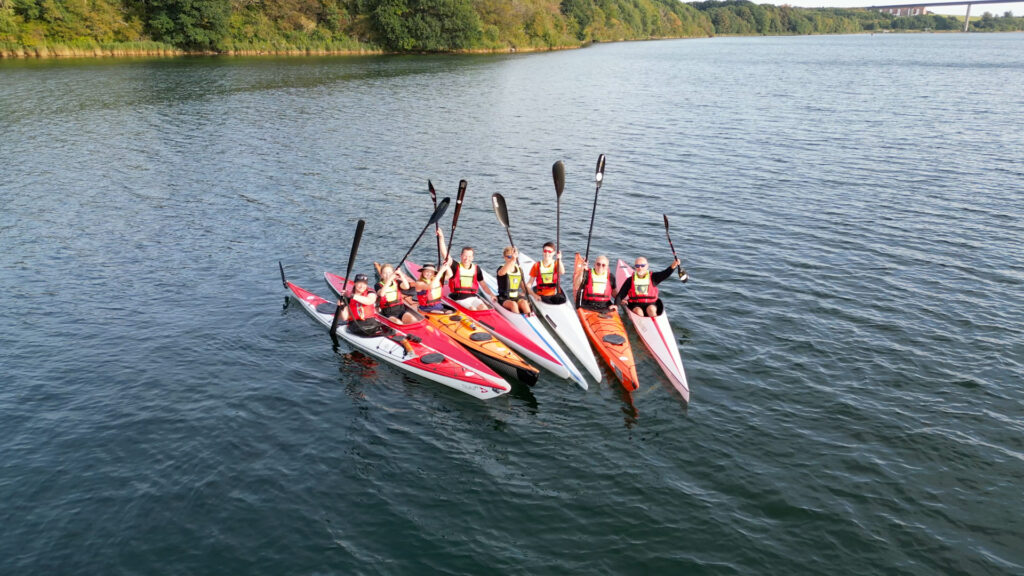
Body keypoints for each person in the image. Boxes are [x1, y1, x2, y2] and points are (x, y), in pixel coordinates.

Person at [614, 256, 681, 317]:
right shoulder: (630, 280)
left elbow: (665, 274)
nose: (640, 268)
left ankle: (654, 322)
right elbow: (620, 295)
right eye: (637, 266)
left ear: (647, 266)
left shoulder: (653, 277)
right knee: (639, 311)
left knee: (651, 309)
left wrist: (673, 265)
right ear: (635, 267)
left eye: (642, 265)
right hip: (635, 305)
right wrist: (616, 306)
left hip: (651, 304)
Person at [441, 231, 489, 311]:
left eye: (469, 256)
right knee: (472, 309)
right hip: (458, 298)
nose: (467, 259)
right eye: (465, 256)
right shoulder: (456, 267)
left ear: (472, 258)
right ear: (461, 256)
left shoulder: (476, 269)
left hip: (473, 297)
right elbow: (445, 255)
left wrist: (491, 295)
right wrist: (441, 238)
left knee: (484, 308)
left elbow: (483, 285)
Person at [495, 246, 532, 314]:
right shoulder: (501, 268)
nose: (511, 258)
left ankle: (529, 316)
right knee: (513, 305)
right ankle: (518, 319)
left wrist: (534, 295)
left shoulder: (519, 269)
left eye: (513, 256)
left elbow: (523, 286)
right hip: (504, 298)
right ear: (504, 257)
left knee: (524, 303)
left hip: (516, 296)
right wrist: (512, 260)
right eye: (509, 257)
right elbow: (501, 273)